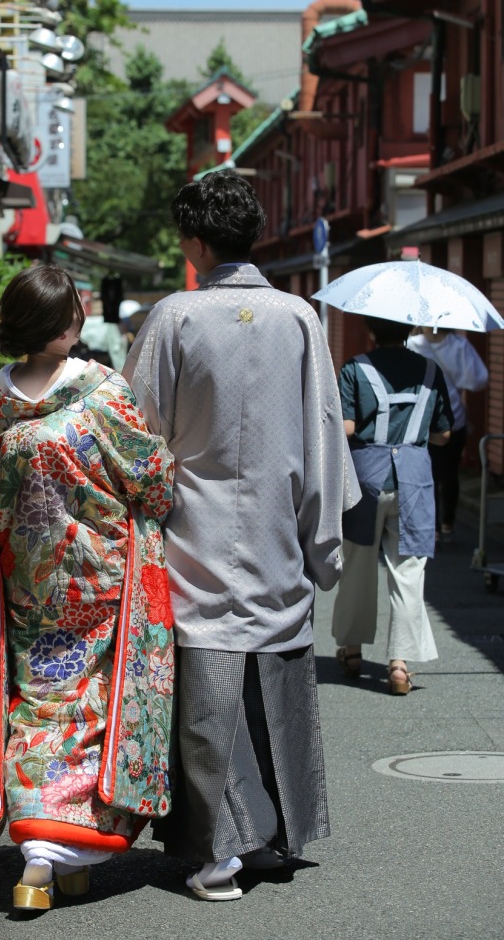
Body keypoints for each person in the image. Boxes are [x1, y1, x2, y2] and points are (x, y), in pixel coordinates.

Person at [123, 169, 359, 903]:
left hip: (196, 537)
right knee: (275, 690)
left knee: (207, 701)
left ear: (195, 243)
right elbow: (325, 437)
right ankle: (270, 838)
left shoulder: (176, 318)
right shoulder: (297, 319)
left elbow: (136, 435)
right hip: (279, 532)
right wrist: (324, 540)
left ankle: (218, 852)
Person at [0, 265, 175, 912]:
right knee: (98, 710)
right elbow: (149, 480)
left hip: (30, 583)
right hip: (101, 580)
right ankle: (64, 852)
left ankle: (42, 856)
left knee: (39, 701)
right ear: (66, 323)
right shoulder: (101, 391)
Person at [331, 316, 452, 695]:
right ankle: (399, 665)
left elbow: (346, 427)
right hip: (413, 478)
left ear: (371, 331)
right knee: (408, 569)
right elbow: (444, 434)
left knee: (357, 563)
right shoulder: (431, 370)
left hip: (367, 476)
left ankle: (351, 651)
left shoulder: (354, 367)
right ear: (409, 331)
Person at [406, 327, 488, 541]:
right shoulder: (458, 345)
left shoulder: (412, 344)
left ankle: (431, 526)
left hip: (421, 418)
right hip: (453, 417)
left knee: (427, 473)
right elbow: (478, 380)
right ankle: (447, 522)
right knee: (449, 473)